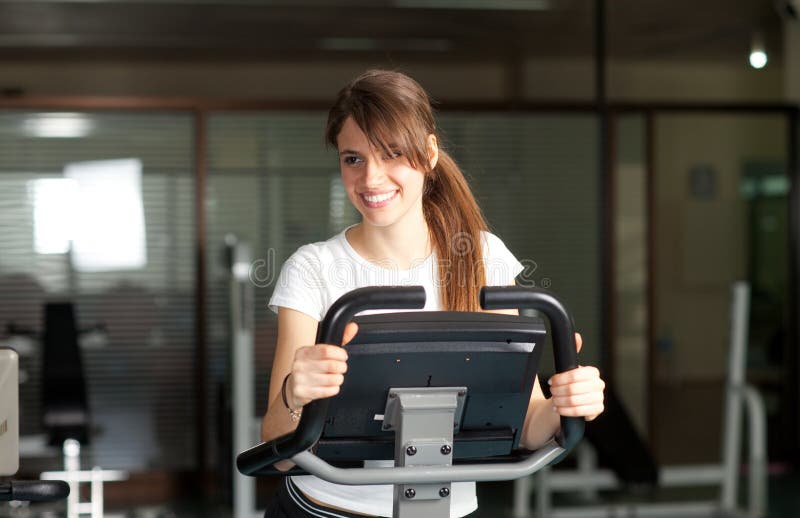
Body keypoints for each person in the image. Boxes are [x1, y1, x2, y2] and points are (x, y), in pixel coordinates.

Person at [261, 69, 606, 518]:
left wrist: (567, 407)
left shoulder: (484, 257)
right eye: (353, 159)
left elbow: (524, 425)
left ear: (429, 152)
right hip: (324, 508)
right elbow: (277, 448)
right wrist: (295, 395)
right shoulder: (313, 268)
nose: (371, 178)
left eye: (393, 153)